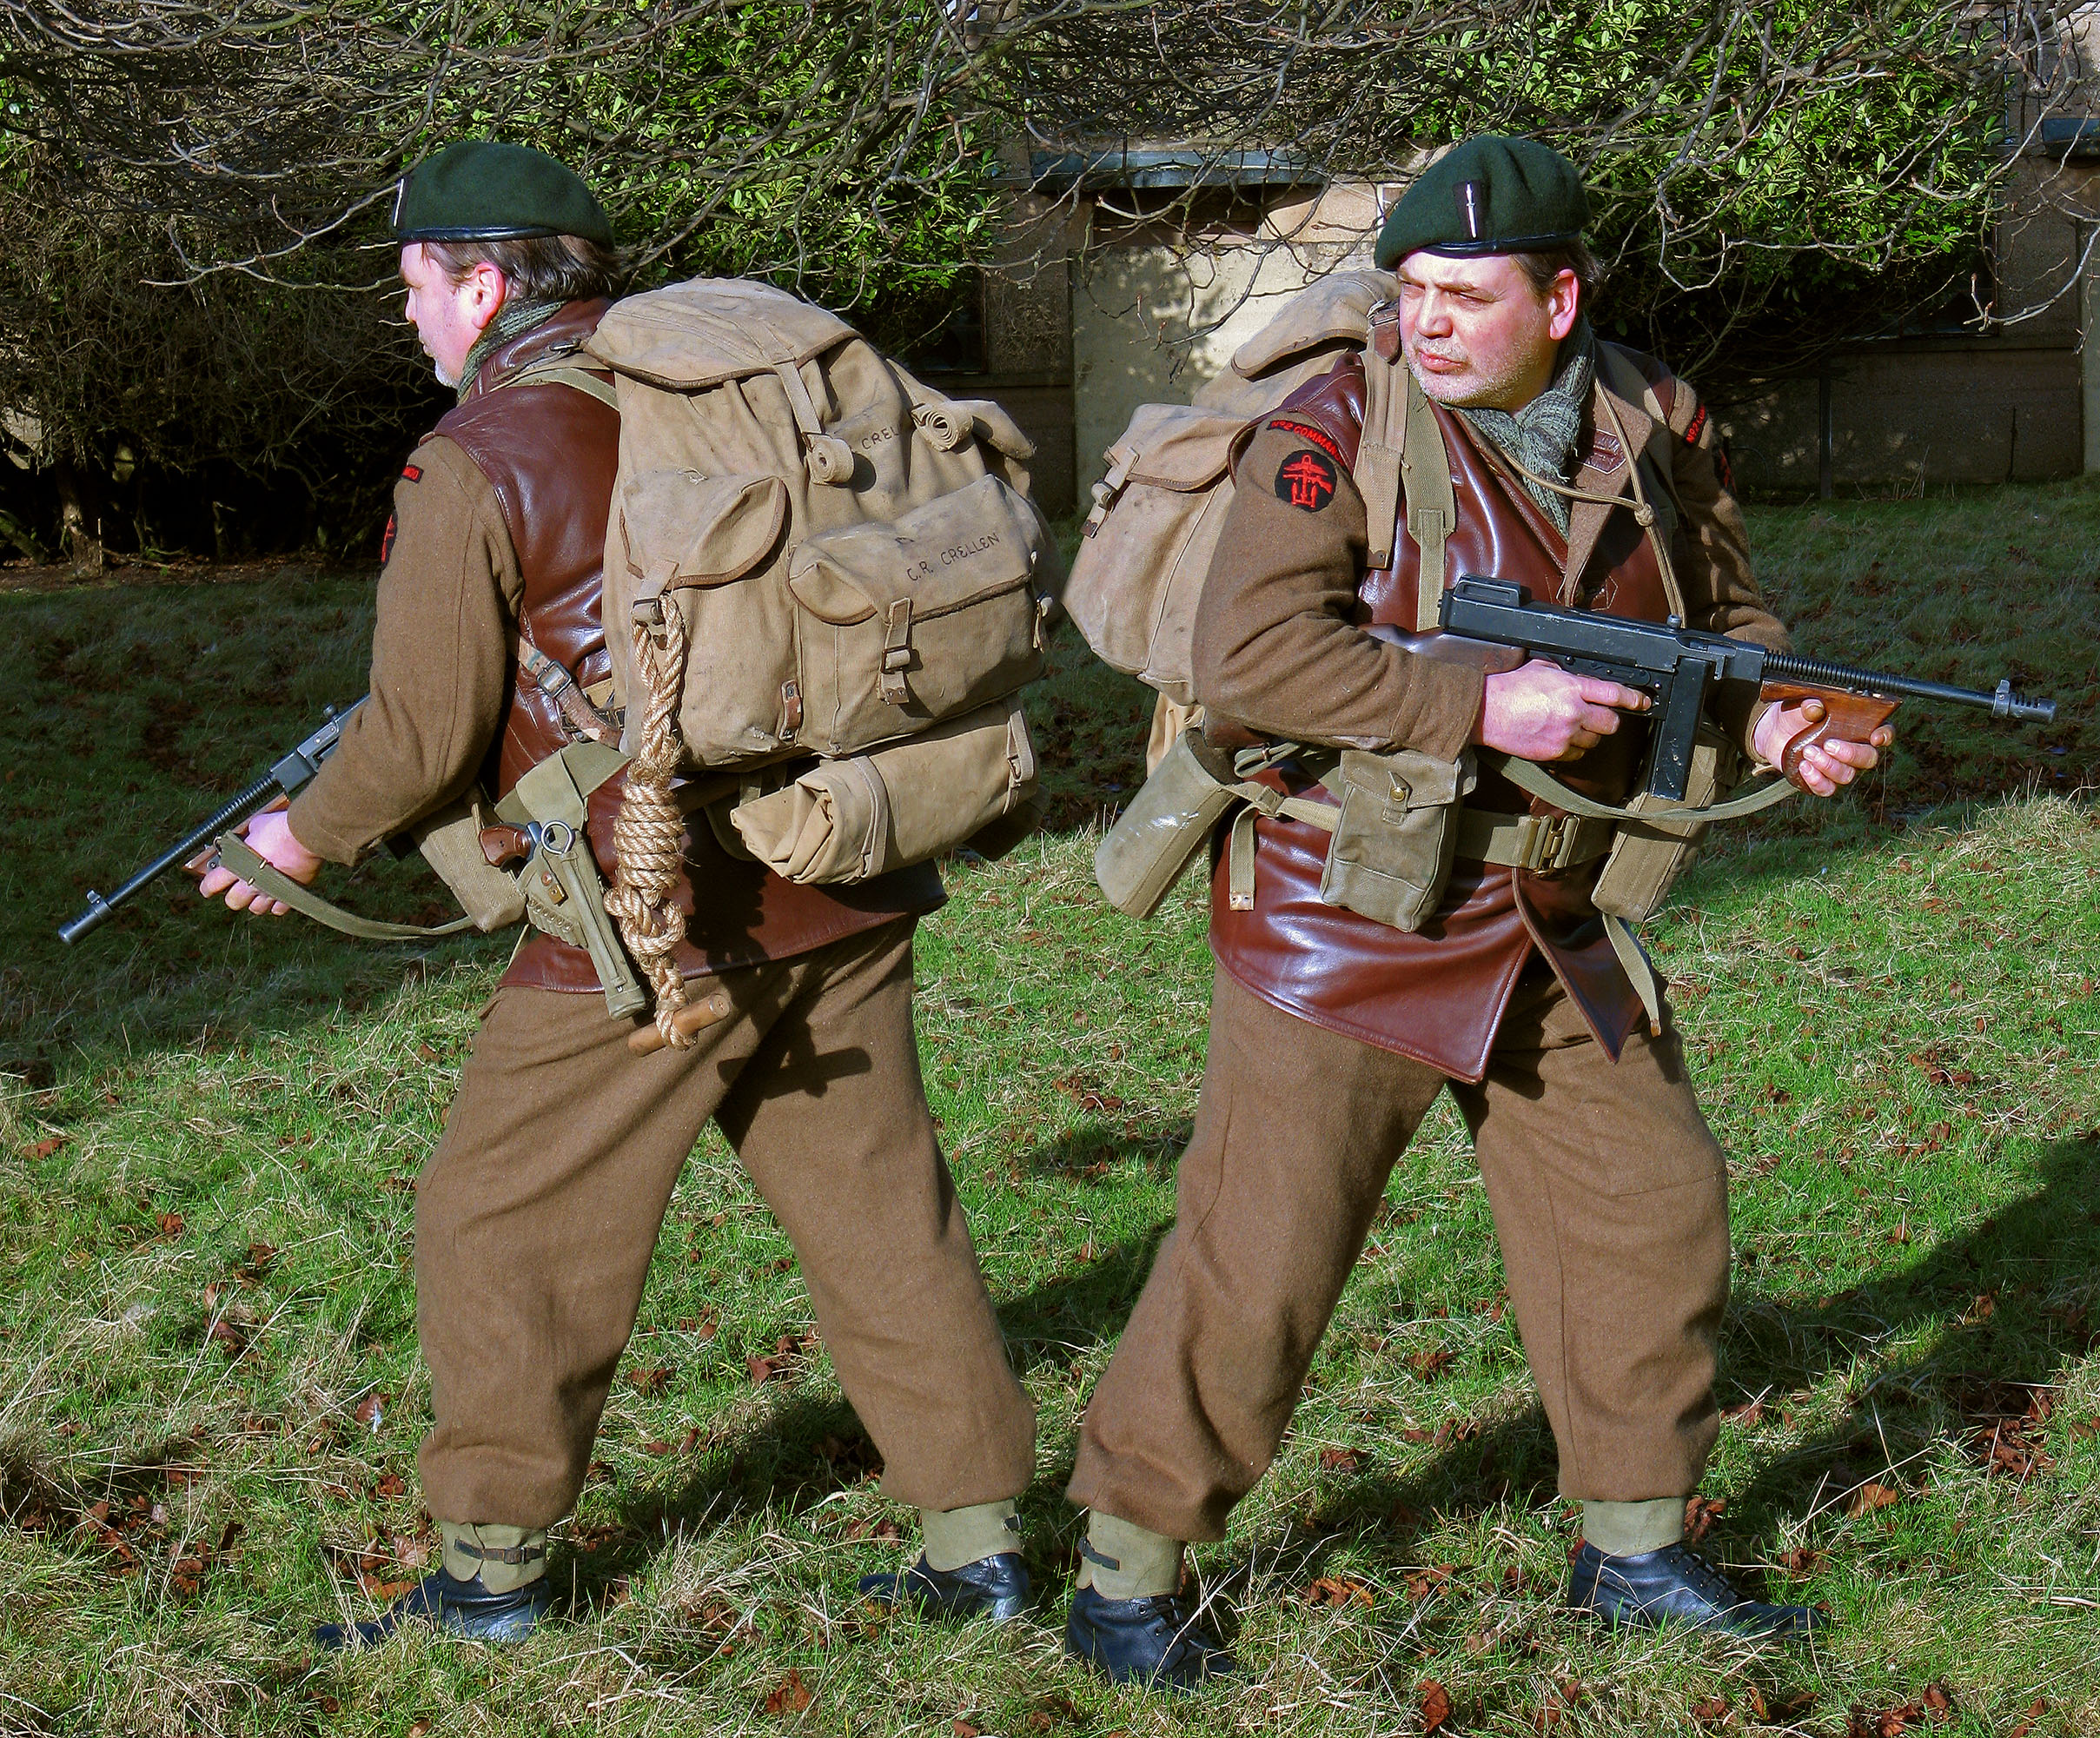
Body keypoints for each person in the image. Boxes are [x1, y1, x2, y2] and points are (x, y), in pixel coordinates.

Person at [1057, 136, 1892, 1688]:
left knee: (1648, 1209)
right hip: (1346, 908)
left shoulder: (1651, 420)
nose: (1423, 322)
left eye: (1463, 294)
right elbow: (1253, 660)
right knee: (1264, 1255)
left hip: (1549, 907)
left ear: (1560, 296)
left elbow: (1716, 625)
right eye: (1410, 290)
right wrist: (1477, 699)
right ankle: (1124, 1569)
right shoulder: (1335, 426)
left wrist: (1769, 718)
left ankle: (1634, 1552)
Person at [200, 140, 1037, 1645]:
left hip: (647, 914)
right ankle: (979, 1544)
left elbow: (417, 729)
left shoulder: (479, 455)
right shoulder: (720, 396)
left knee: (494, 1224)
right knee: (882, 1217)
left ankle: (488, 1579)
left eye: (414, 286)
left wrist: (298, 844)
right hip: (834, 864)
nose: (409, 320)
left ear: (480, 280)